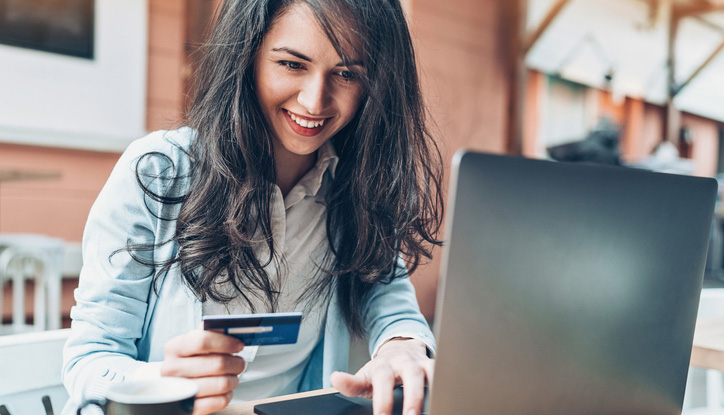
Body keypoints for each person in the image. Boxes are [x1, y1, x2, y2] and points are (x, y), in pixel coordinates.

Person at [61, 0, 443, 414]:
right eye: (293, 65)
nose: (315, 102)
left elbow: (388, 295)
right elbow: (91, 358)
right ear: (248, 56)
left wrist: (403, 345)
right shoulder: (157, 170)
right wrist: (164, 384)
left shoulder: (357, 188)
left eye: (347, 74)